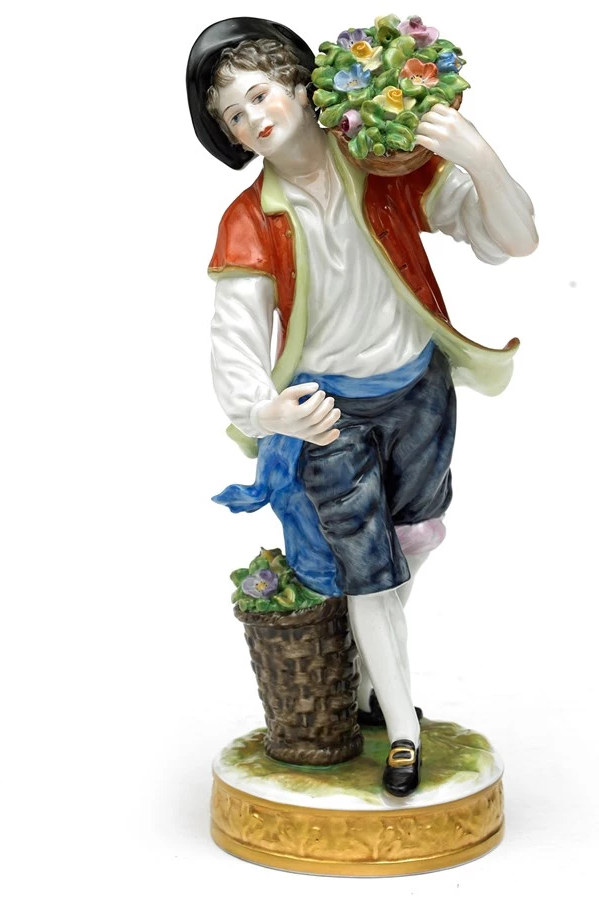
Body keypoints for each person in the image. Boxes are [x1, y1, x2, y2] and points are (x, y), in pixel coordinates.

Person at [186, 17, 537, 797]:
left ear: (300, 83)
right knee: (371, 573)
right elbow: (234, 342)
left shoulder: (384, 163)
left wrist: (476, 155)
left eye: (260, 94)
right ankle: (402, 731)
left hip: (418, 390)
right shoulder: (250, 219)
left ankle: (369, 681)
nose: (253, 118)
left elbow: (512, 239)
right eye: (235, 114)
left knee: (417, 536)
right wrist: (268, 412)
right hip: (328, 415)